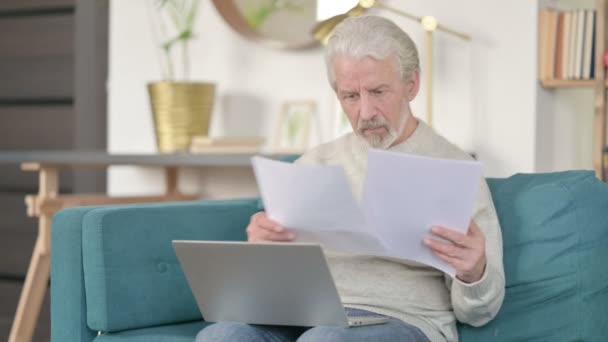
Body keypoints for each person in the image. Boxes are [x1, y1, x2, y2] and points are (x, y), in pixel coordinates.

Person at [196, 15, 505, 342]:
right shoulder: (315, 163)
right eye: (351, 96)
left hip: (402, 319)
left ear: (411, 84)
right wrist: (262, 251)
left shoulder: (453, 169)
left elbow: (480, 312)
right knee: (221, 335)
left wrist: (474, 272)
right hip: (307, 315)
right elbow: (274, 281)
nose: (366, 112)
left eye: (378, 91)